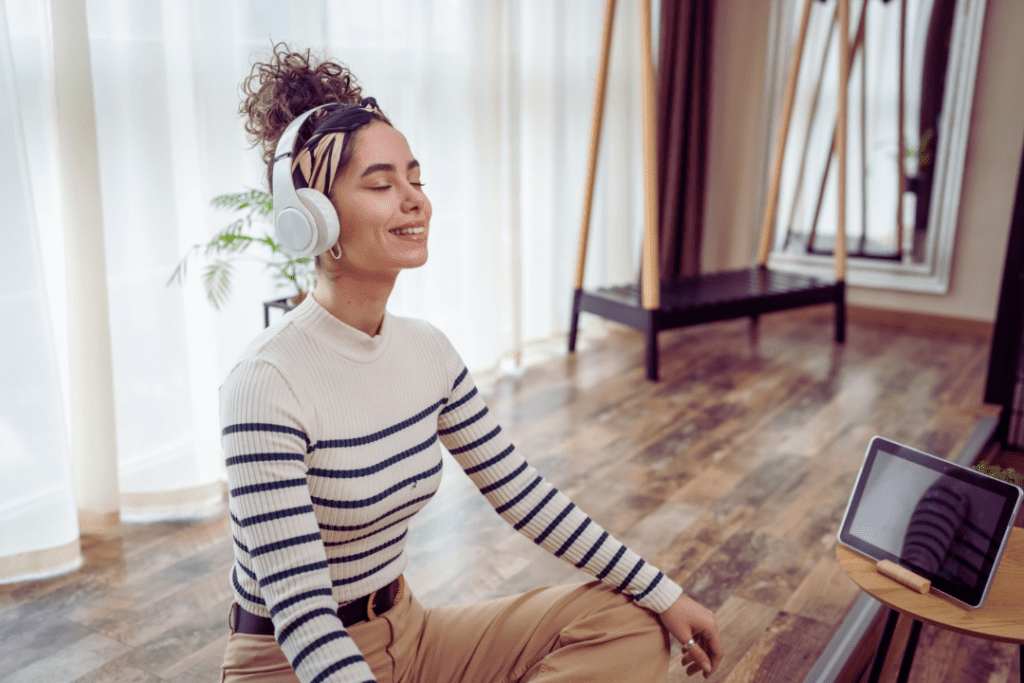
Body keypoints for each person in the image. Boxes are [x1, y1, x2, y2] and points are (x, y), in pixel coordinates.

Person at [219, 43, 723, 683]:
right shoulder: (266, 383)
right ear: (312, 220)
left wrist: (665, 593)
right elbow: (304, 618)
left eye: (416, 178)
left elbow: (524, 496)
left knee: (627, 622)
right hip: (292, 665)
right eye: (381, 184)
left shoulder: (427, 350)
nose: (414, 200)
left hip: (409, 632)